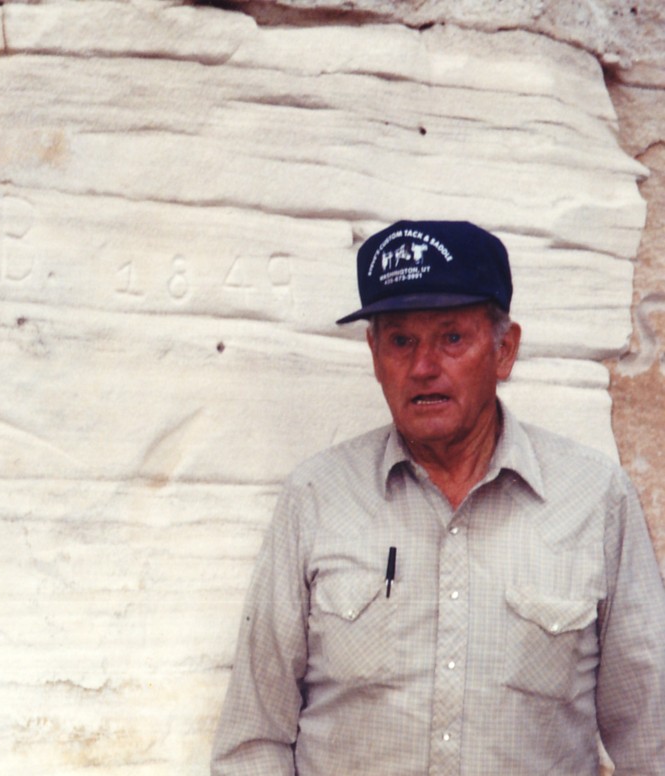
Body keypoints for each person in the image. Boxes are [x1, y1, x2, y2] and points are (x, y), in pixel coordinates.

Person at [211, 220, 665, 775]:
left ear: (504, 350)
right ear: (375, 354)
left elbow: (653, 739)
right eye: (401, 340)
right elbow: (253, 739)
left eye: (452, 337)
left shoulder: (595, 500)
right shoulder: (317, 498)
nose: (424, 367)